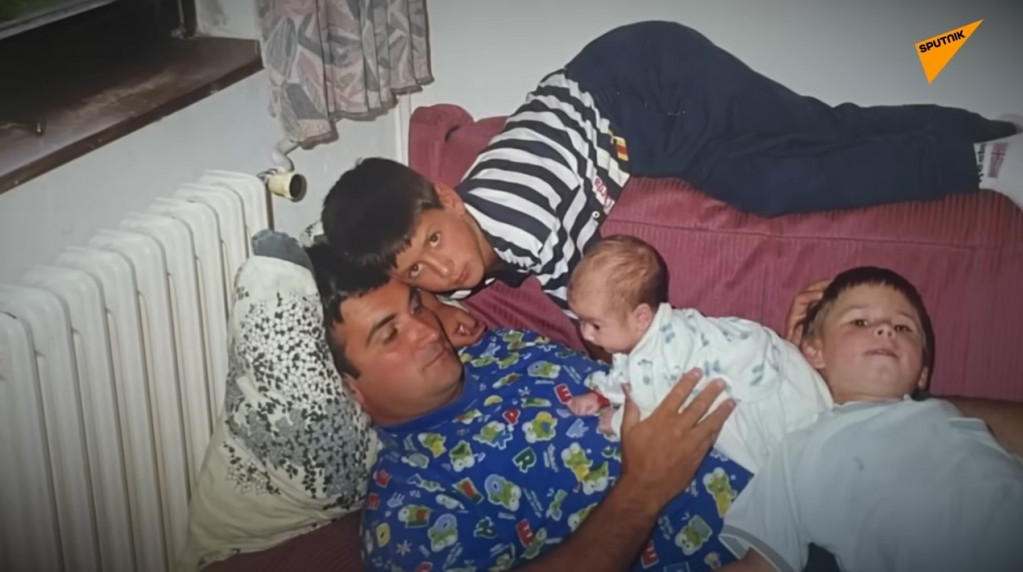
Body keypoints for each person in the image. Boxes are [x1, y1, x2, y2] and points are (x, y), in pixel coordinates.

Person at [321, 20, 1023, 324]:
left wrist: (623, 368)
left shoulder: (518, 218)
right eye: (417, 270)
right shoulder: (463, 255)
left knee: (809, 136)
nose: (442, 271)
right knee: (780, 171)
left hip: (650, 79)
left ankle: (982, 153)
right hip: (651, 133)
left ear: (449, 197)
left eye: (433, 242)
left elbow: (590, 296)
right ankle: (979, 135)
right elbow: (458, 285)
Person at [306, 242, 745, 571]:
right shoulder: (407, 508)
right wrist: (642, 490)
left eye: (417, 307)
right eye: (390, 334)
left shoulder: (497, 345)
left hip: (771, 453)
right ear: (350, 388)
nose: (427, 330)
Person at [719, 267, 1023, 572]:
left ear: (922, 372)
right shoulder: (796, 450)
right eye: (860, 322)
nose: (886, 330)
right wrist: (791, 369)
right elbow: (759, 565)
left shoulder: (951, 416)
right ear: (813, 351)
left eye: (903, 327)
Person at [565, 235, 831, 473]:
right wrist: (601, 394)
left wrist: (614, 421)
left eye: (595, 325)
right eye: (581, 321)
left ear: (641, 317)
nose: (585, 334)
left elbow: (653, 415)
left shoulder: (663, 353)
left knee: (785, 463)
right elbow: (626, 373)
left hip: (766, 395)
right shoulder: (643, 332)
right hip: (762, 359)